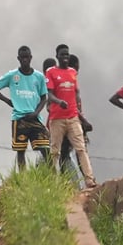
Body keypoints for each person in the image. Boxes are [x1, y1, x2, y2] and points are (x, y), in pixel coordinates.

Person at [0, 45, 50, 169]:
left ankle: (52, 177)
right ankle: (23, 179)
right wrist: (7, 101)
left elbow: (44, 97)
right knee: (20, 151)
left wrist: (36, 112)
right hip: (19, 118)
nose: (25, 60)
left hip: (35, 118)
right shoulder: (12, 75)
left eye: (27, 57)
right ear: (18, 58)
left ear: (31, 57)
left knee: (45, 149)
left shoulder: (38, 77)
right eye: (22, 58)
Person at [46, 44, 96, 187]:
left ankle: (89, 180)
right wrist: (58, 101)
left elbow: (76, 92)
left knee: (81, 148)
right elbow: (49, 93)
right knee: (55, 151)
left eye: (67, 55)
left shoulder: (72, 72)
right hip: (57, 118)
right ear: (57, 56)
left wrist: (79, 109)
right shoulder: (51, 72)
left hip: (72, 117)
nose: (65, 57)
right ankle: (52, 182)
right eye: (62, 55)